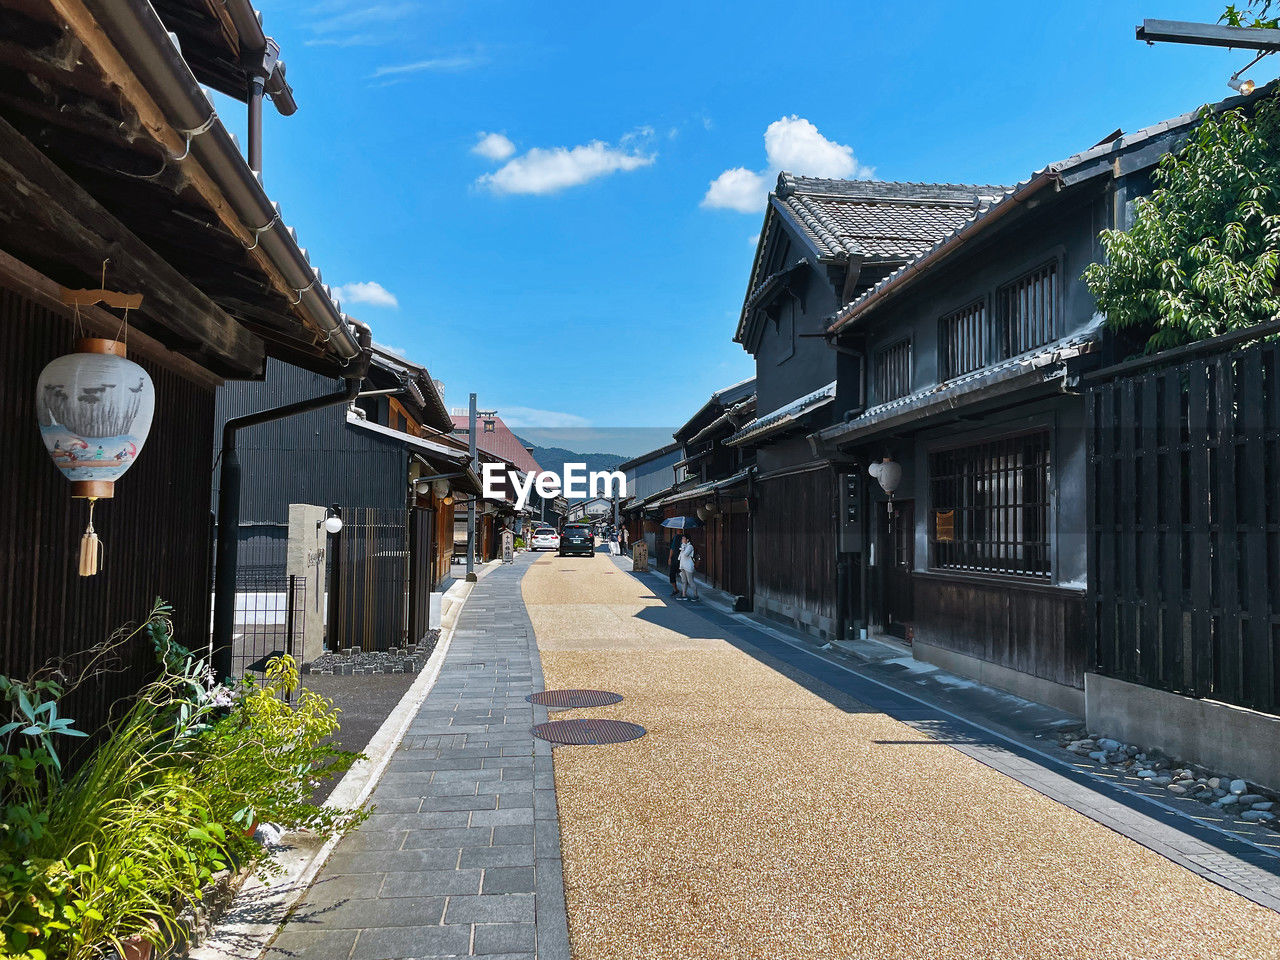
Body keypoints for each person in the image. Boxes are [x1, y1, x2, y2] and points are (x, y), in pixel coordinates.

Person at [679, 534, 698, 600]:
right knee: (684, 581)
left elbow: (685, 554)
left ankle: (696, 596)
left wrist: (683, 547)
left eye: (683, 539)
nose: (682, 540)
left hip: (688, 566)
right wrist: (683, 547)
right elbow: (681, 556)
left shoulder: (690, 546)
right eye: (682, 539)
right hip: (683, 565)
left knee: (690, 581)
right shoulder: (683, 546)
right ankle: (684, 595)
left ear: (687, 540)